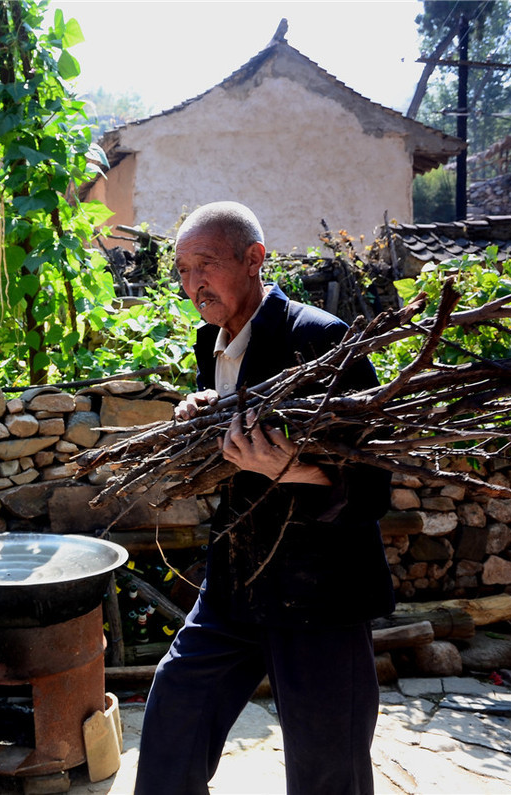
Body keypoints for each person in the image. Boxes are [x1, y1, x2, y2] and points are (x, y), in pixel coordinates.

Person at [133, 201, 394, 795]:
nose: (191, 282)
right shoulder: (214, 343)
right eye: (181, 269)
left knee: (326, 765)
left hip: (317, 593)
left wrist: (293, 469)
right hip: (237, 581)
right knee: (177, 712)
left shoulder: (320, 340)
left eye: (206, 264)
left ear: (255, 260)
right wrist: (200, 416)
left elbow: (373, 487)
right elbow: (235, 442)